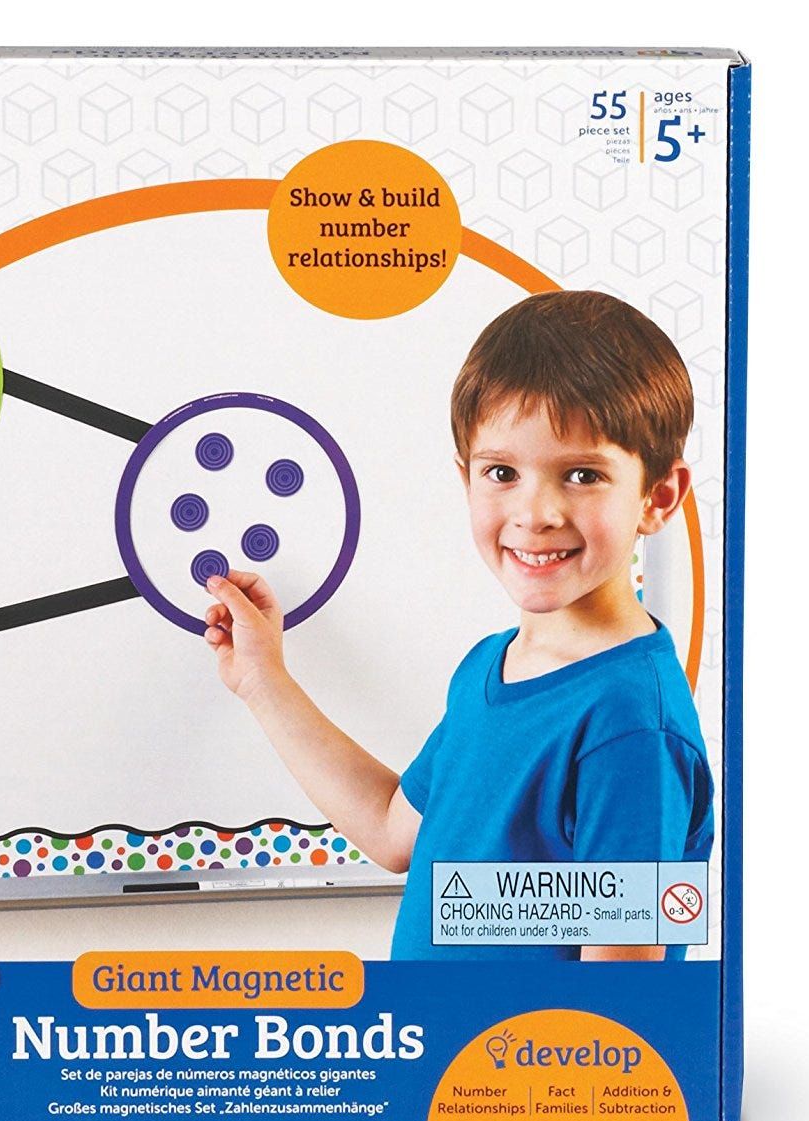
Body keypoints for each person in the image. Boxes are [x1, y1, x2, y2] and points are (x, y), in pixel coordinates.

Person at [202, 290, 714, 960]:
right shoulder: (488, 668)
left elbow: (617, 1005)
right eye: (502, 472)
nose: (535, 513)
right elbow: (393, 831)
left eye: (582, 475)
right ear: (466, 477)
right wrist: (262, 679)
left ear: (658, 497)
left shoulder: (631, 725)